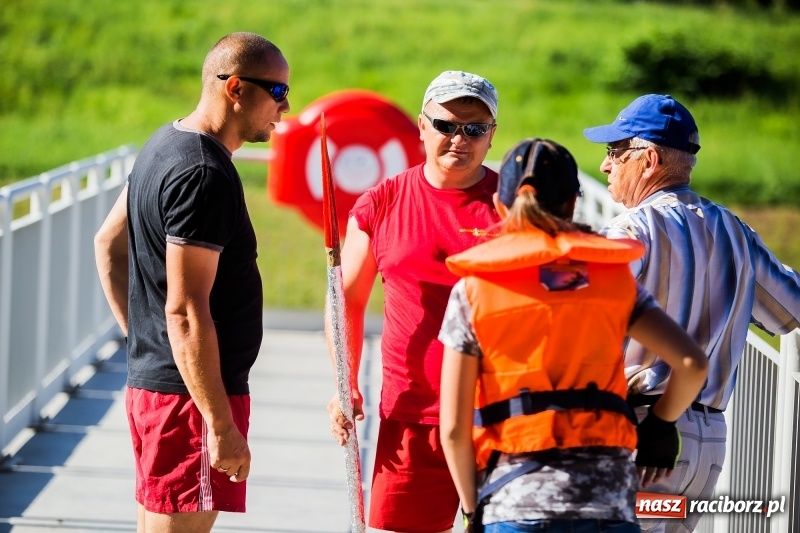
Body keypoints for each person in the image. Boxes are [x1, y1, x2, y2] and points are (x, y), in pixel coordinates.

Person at [438, 138, 709, 533]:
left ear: (499, 206)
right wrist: (660, 423)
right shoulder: (615, 282)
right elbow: (692, 363)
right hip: (607, 506)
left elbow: (453, 429)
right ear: (572, 204)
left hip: (515, 506)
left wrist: (471, 509)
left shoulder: (472, 293)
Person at [93, 32, 290, 533]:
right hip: (193, 403)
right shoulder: (203, 173)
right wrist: (221, 427)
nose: (285, 110)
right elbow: (184, 310)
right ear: (237, 88)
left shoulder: (165, 143)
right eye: (279, 93)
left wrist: (143, 341)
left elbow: (107, 244)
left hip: (164, 387)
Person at [583, 94, 800, 533]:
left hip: (643, 431)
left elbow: (585, 318)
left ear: (648, 159)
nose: (605, 166)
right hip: (707, 445)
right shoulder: (735, 231)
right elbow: (790, 309)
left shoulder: (630, 230)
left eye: (614, 152)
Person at [325, 70, 501, 533]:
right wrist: (346, 383)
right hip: (411, 418)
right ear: (421, 127)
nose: (458, 139)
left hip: (499, 419)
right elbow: (347, 299)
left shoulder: (513, 206)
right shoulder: (382, 202)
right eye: (445, 126)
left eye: (474, 129)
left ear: (491, 136)